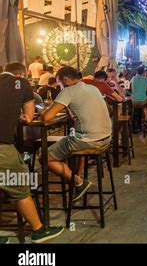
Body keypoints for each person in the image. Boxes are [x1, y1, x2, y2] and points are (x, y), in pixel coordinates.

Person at [0, 63, 65, 244]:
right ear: (21, 74)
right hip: (2, 147)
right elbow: (29, 117)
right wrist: (21, 116)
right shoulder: (21, 83)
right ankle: (39, 230)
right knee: (20, 187)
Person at [41, 66, 112, 202]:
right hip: (106, 139)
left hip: (88, 141)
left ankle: (78, 182)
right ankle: (77, 179)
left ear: (66, 80)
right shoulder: (92, 88)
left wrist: (41, 112)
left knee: (44, 156)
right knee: (67, 141)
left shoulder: (69, 91)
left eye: (60, 84)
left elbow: (47, 117)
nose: (60, 87)